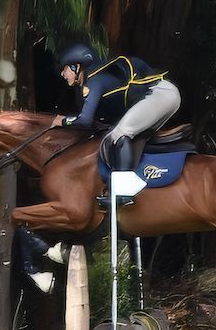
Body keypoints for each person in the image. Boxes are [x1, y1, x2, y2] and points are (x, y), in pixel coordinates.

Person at [53, 42, 181, 207]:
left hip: (159, 94)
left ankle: (123, 192)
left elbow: (84, 121)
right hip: (165, 95)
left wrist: (62, 121)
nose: (63, 75)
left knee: (120, 134)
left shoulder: (94, 81)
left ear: (76, 67)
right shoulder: (93, 81)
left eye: (65, 69)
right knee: (128, 134)